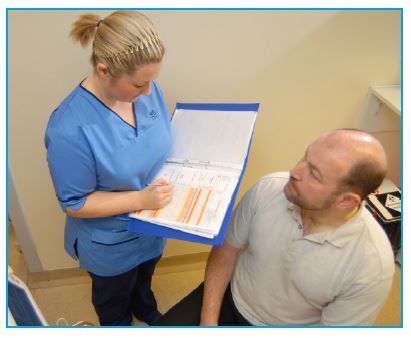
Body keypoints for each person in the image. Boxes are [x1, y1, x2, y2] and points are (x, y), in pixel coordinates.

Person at [154, 129, 395, 326]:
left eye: (314, 174)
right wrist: (209, 322)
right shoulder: (269, 189)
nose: (294, 172)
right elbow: (226, 251)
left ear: (346, 200)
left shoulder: (372, 266)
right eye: (305, 157)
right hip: (229, 297)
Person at [45, 11, 173, 326]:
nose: (149, 92)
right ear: (104, 71)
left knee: (144, 282)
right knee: (114, 302)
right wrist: (141, 200)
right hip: (110, 246)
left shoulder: (147, 91)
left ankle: (145, 309)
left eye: (152, 81)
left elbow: (157, 142)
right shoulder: (69, 129)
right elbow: (75, 203)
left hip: (153, 229)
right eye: (139, 83)